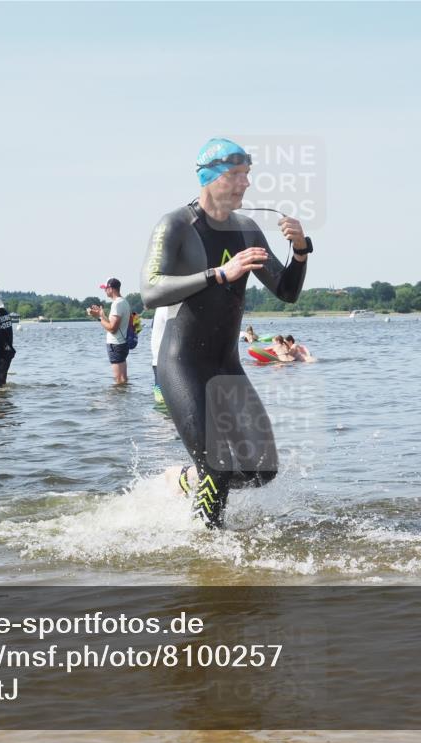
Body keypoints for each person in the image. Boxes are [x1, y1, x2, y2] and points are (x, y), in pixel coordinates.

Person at [140, 137, 312, 528]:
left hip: (226, 365)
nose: (245, 183)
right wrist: (220, 273)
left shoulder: (247, 230)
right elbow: (149, 292)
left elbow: (286, 291)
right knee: (217, 469)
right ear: (209, 176)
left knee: (262, 470)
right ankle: (208, 549)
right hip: (182, 363)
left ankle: (184, 481)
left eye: (247, 174)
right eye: (235, 175)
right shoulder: (177, 225)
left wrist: (300, 250)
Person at [88, 277, 130, 385]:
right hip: (121, 344)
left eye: (105, 288)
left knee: (119, 381)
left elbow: (112, 328)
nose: (105, 290)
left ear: (111, 288)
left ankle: (117, 400)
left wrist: (98, 318)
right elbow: (113, 325)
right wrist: (102, 315)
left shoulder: (117, 304)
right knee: (123, 379)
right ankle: (124, 400)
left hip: (116, 345)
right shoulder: (123, 302)